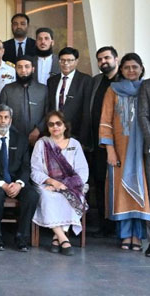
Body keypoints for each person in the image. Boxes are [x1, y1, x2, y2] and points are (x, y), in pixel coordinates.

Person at [100, 53, 150, 252]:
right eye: (127, 67)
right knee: (121, 190)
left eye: (134, 67)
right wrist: (110, 150)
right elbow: (105, 121)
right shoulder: (113, 90)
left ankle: (138, 235)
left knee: (143, 189)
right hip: (120, 150)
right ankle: (125, 234)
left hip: (143, 150)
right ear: (121, 70)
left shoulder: (146, 89)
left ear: (141, 69)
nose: (131, 71)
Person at [0, 104, 39, 251]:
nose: (3, 121)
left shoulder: (21, 140)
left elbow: (26, 166)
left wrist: (19, 183)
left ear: (11, 120)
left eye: (6, 117)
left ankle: (22, 237)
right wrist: (3, 184)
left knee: (32, 195)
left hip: (16, 181)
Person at [31, 111, 89, 256]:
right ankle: (63, 237)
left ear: (65, 126)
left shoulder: (74, 144)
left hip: (71, 184)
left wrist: (64, 184)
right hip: (47, 184)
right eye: (51, 124)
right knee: (47, 196)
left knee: (69, 196)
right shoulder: (42, 144)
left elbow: (83, 171)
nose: (55, 127)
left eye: (58, 123)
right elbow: (35, 170)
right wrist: (52, 182)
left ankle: (57, 238)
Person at [89, 46, 121, 237]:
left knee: (117, 185)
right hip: (97, 143)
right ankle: (104, 226)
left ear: (116, 59)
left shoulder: (123, 82)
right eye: (100, 59)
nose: (104, 62)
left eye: (107, 58)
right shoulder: (96, 81)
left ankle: (120, 227)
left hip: (118, 145)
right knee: (100, 184)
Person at [47, 47, 93, 148]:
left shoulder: (85, 80)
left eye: (69, 60)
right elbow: (49, 107)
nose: (65, 63)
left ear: (76, 61)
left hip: (75, 134)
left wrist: (83, 139)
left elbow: (86, 111)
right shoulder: (52, 81)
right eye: (62, 60)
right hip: (54, 132)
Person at [0, 56, 48, 147]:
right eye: (19, 67)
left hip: (39, 138)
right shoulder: (7, 89)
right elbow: (2, 113)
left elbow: (48, 113)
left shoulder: (43, 89)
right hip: (13, 138)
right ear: (15, 69)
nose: (23, 70)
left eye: (27, 66)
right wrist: (13, 132)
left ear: (33, 69)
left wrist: (38, 130)